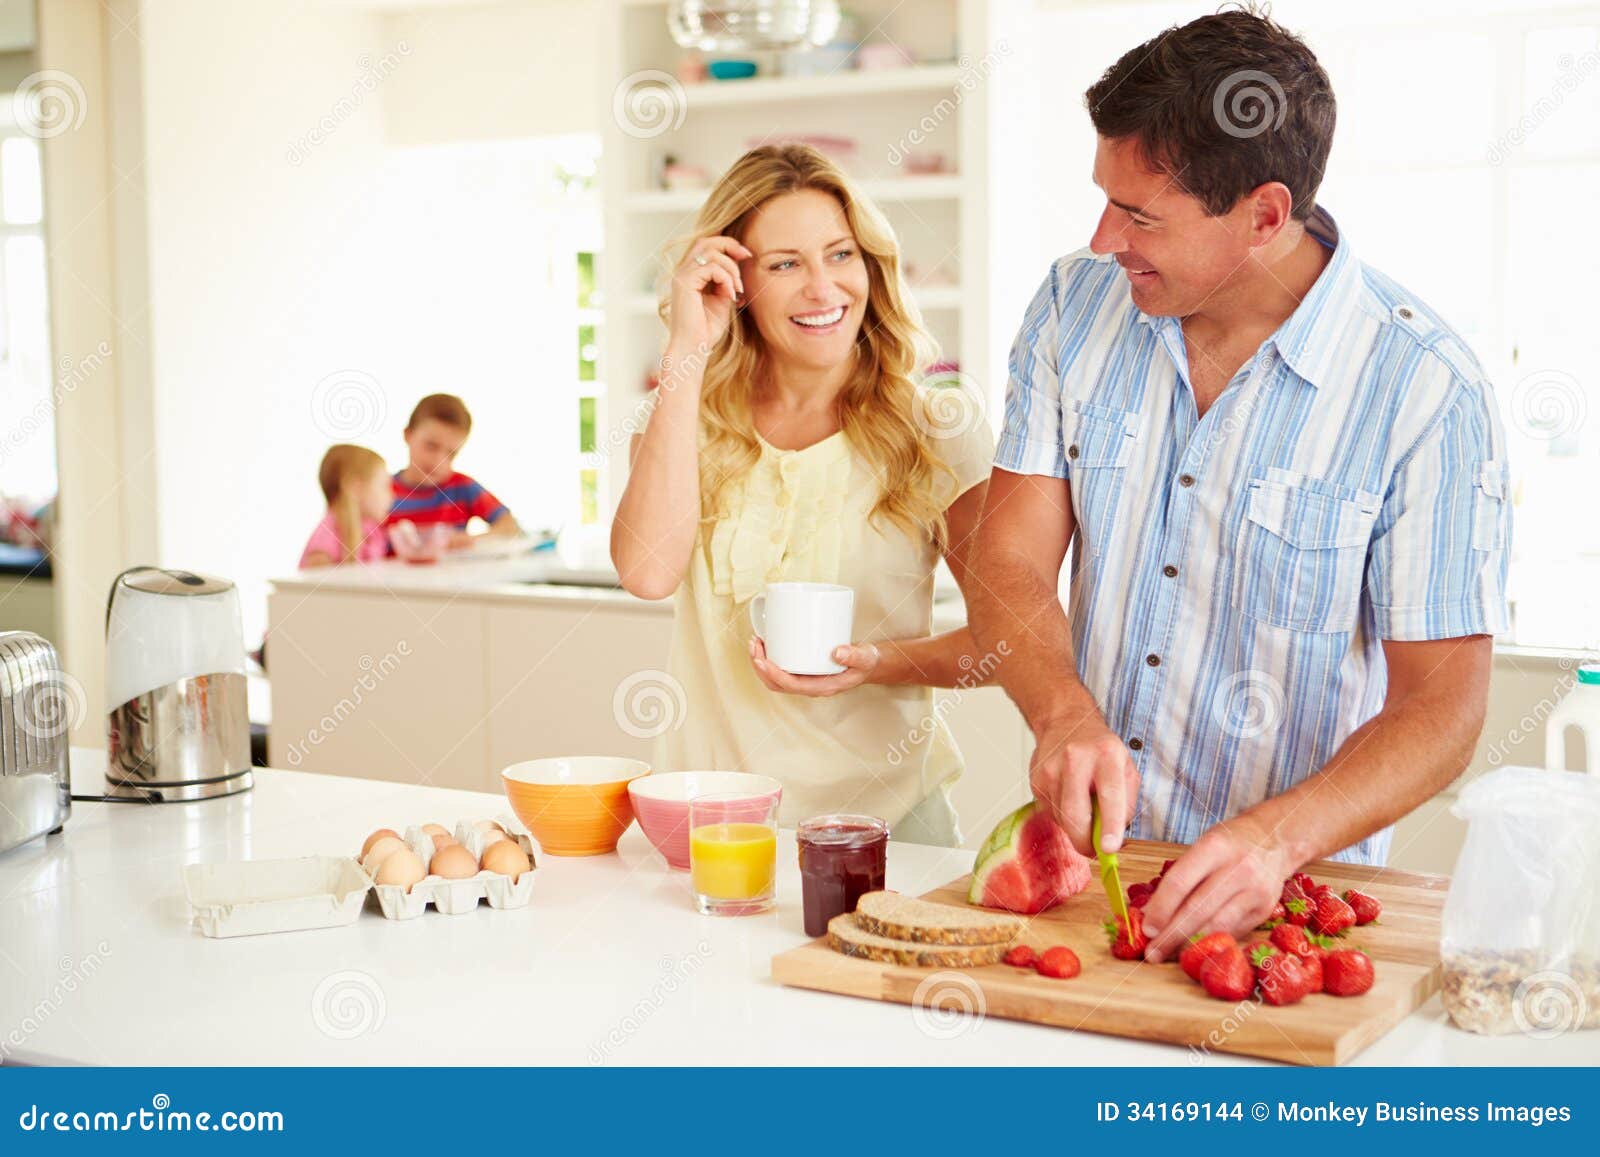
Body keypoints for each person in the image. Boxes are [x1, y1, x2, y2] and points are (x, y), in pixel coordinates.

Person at [967, 10, 1510, 959]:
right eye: (1106, 200)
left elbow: (1444, 706)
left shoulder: (1425, 388)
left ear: (1264, 214)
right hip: (1090, 909)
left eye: (1140, 216)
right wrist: (1060, 710)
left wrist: (1276, 840)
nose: (1103, 240)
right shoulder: (1069, 309)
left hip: (1285, 916)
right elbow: (1007, 555)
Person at [611, 144, 996, 846]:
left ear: (872, 267)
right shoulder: (684, 419)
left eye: (841, 254)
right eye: (785, 264)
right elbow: (645, 571)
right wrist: (684, 352)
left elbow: (1007, 640)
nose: (824, 288)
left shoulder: (938, 426)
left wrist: (877, 664)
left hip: (890, 831)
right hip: (715, 826)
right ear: (737, 284)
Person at [386, 394, 521, 547]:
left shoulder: (462, 487)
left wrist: (470, 540)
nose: (438, 461)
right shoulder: (380, 492)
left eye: (451, 453)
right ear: (408, 435)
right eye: (431, 446)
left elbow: (510, 526)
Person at [300, 445, 393, 568]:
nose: (392, 494)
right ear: (356, 488)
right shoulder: (327, 536)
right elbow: (310, 584)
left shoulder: (372, 530)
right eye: (384, 486)